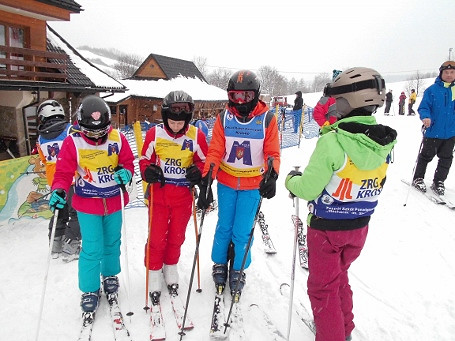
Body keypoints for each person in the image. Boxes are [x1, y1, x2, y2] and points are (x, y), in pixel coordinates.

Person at [285, 67, 397, 341]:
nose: (332, 105)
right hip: (358, 227)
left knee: (322, 288)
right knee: (339, 278)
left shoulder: (333, 141)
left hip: (327, 229)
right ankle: (343, 329)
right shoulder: (382, 142)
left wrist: (291, 181)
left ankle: (332, 335)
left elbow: (309, 188)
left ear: (349, 101)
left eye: (336, 100)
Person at [197, 70, 280, 299]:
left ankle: (239, 267)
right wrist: (206, 180)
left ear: (256, 95)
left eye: (246, 96)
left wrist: (272, 175)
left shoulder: (267, 119)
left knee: (242, 230)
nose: (240, 101)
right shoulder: (224, 118)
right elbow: (215, 150)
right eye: (235, 96)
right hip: (226, 181)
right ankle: (220, 262)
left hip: (252, 184)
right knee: (225, 225)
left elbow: (272, 152)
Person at [49, 95, 135, 314]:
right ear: (81, 125)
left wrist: (126, 173)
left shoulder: (117, 139)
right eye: (91, 132)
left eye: (101, 131)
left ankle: (110, 275)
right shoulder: (73, 141)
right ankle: (89, 288)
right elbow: (63, 172)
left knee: (112, 243)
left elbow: (127, 162)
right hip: (88, 204)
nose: (97, 136)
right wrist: (58, 189)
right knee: (92, 247)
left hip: (114, 202)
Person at [139, 90, 208, 303]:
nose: (176, 126)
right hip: (159, 195)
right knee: (157, 237)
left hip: (183, 196)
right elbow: (144, 159)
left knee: (177, 237)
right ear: (164, 117)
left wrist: (198, 171)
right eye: (172, 122)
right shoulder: (154, 134)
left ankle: (170, 268)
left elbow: (204, 161)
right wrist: (148, 171)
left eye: (180, 123)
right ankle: (153, 271)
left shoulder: (196, 135)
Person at [36, 99, 81, 262]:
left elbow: (43, 159)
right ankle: (71, 247)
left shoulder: (40, 138)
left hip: (55, 182)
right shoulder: (70, 130)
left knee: (59, 213)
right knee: (76, 213)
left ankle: (55, 245)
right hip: (73, 179)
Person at [412, 61, 455, 195]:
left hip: (451, 133)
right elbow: (424, 107)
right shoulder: (432, 90)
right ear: (441, 73)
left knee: (446, 158)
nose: (449, 75)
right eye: (446, 72)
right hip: (433, 132)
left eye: (452, 72)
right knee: (425, 156)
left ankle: (439, 181)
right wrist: (426, 117)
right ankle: (418, 178)